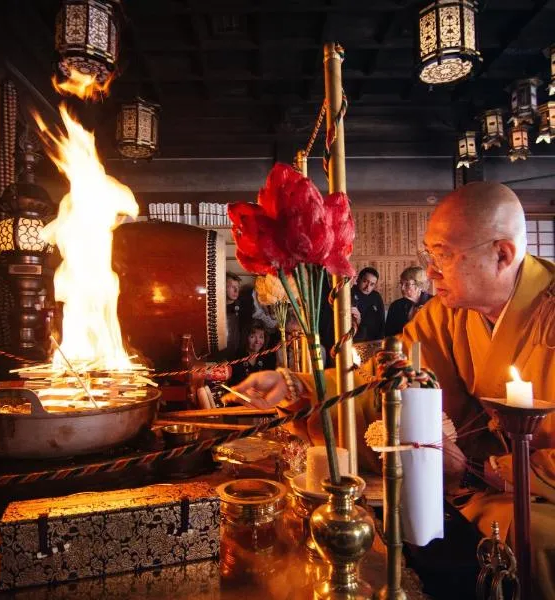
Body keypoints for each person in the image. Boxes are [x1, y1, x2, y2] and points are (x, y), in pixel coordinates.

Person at [227, 182, 555, 599]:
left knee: (534, 536)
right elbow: (383, 375)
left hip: (534, 490)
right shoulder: (447, 315)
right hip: (467, 475)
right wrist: (299, 386)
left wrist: (482, 471)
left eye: (443, 255)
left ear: (502, 254)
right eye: (429, 255)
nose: (430, 271)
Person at [385, 266, 433, 336]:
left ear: (420, 285)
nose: (402, 288)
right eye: (401, 284)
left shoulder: (434, 303)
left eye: (407, 284)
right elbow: (389, 335)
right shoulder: (396, 306)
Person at [228, 319, 276, 385]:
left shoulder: (267, 358)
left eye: (261, 337)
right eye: (252, 337)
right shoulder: (236, 358)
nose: (257, 341)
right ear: (245, 337)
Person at [351, 267, 385, 341]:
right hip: (354, 339)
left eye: (372, 284)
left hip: (373, 340)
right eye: (365, 281)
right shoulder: (350, 292)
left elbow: (381, 322)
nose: (368, 287)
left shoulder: (376, 297)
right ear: (358, 279)